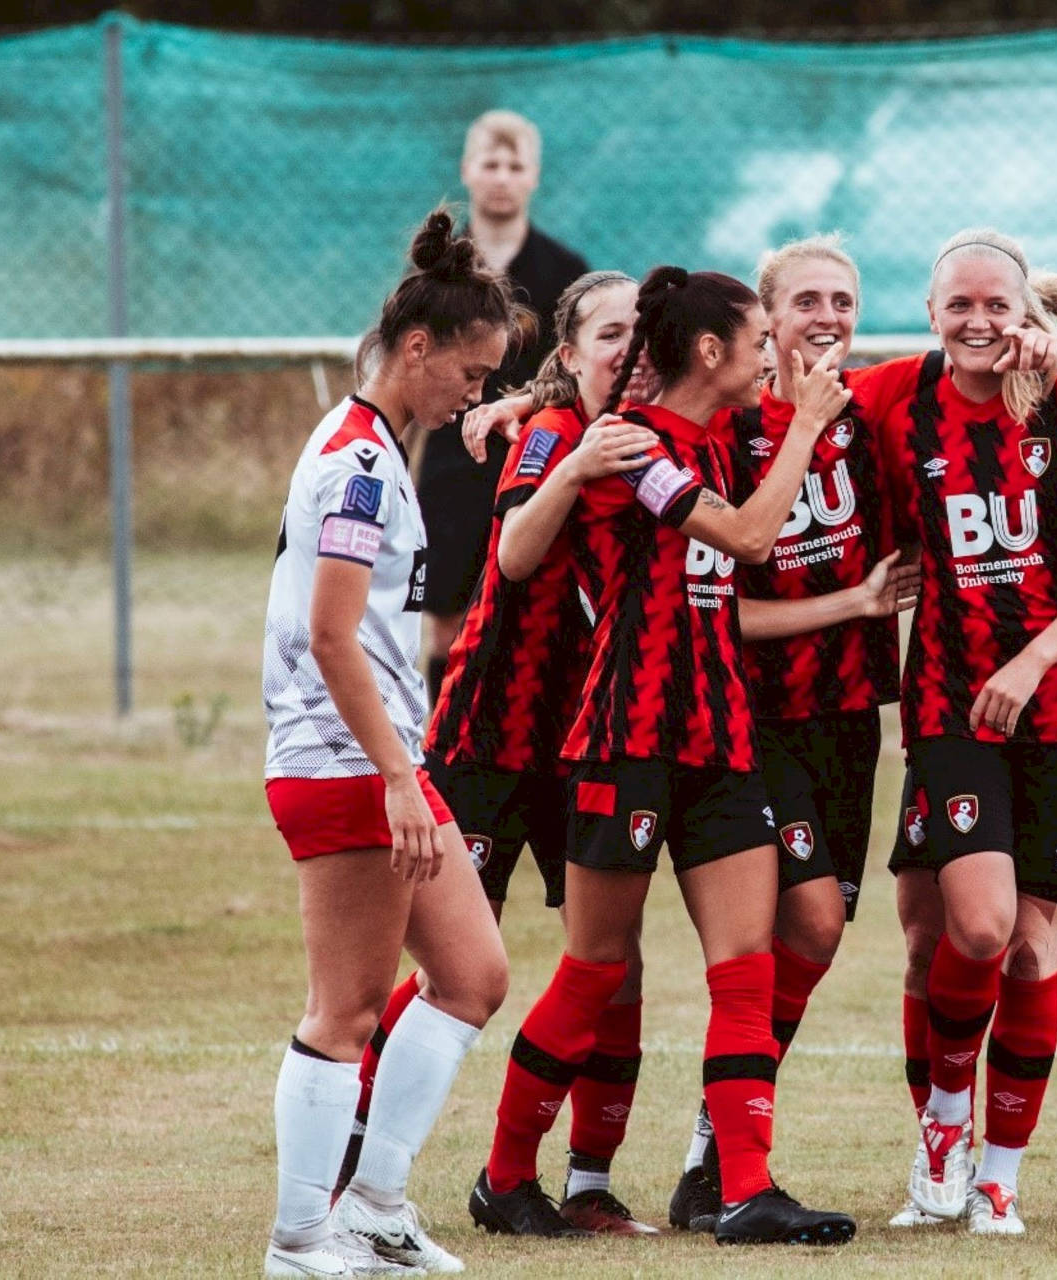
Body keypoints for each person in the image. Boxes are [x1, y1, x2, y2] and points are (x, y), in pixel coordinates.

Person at [660, 237, 1053, 1233]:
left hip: (850, 720)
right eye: (803, 301)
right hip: (751, 721)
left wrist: (1041, 336)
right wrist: (853, 599)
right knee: (809, 926)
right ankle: (721, 1157)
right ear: (766, 315)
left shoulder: (877, 405)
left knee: (819, 933)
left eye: (843, 298)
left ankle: (719, 1147)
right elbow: (710, 607)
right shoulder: (734, 425)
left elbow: (987, 364)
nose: (825, 315)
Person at [469, 266, 861, 1247]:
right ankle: (503, 1175)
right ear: (712, 352)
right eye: (757, 341)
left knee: (745, 963)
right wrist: (805, 427)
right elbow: (747, 535)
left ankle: (746, 1187)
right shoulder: (633, 446)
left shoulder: (718, 431)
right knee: (596, 968)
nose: (773, 357)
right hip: (627, 735)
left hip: (719, 734)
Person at [339, 272, 666, 1235]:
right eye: (609, 333)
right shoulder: (552, 438)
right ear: (568, 353)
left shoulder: (668, 446)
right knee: (455, 962)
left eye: (641, 336)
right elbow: (517, 553)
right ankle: (348, 1146)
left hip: (594, 740)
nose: (628, 350)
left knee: (615, 963)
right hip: (492, 734)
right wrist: (559, 439)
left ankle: (588, 1179)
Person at [259, 209, 527, 1276]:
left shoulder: (370, 443)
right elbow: (332, 637)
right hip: (345, 765)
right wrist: (400, 780)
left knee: (471, 973)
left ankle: (373, 1203)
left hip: (380, 763)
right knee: (347, 1010)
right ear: (419, 347)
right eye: (472, 371)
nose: (476, 390)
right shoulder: (360, 467)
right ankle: (297, 1240)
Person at [877, 229, 1057, 1237]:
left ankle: (1055, 1140)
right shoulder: (896, 400)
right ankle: (945, 1131)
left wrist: (1032, 660)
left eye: (998, 303)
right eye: (960, 305)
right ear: (932, 311)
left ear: (1026, 308)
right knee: (975, 929)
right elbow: (777, 402)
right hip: (951, 706)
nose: (979, 321)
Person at [416, 110, 590, 701]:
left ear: (533, 177)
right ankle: (440, 753)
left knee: (534, 626)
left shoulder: (564, 273)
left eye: (515, 165)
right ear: (468, 171)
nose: (501, 177)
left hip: (536, 463)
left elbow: (581, 375)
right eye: (490, 163)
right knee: (446, 627)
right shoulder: (441, 269)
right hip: (450, 464)